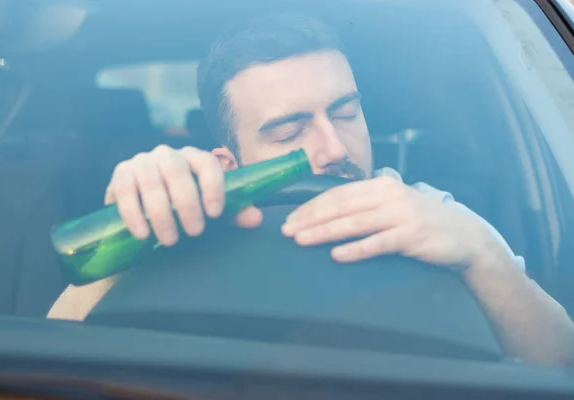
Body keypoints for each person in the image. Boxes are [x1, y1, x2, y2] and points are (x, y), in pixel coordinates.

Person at [47, 13, 574, 366]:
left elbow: (561, 365)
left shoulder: (432, 213)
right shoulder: (185, 221)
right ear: (228, 162)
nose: (333, 148)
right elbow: (43, 361)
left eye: (345, 113)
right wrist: (137, 230)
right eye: (288, 131)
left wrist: (483, 254)